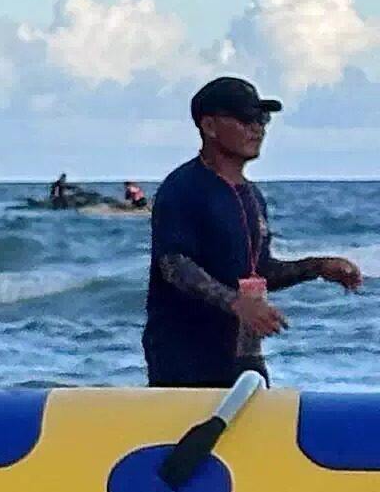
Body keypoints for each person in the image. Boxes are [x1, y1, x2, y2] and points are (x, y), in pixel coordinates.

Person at [143, 74, 362, 388]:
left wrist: (317, 267)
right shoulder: (183, 188)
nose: (257, 128)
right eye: (246, 118)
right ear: (209, 126)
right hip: (185, 354)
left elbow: (259, 271)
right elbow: (174, 265)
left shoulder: (251, 196)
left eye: (262, 118)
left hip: (245, 354)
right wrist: (236, 304)